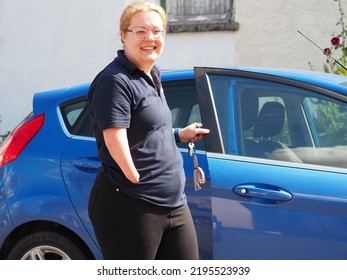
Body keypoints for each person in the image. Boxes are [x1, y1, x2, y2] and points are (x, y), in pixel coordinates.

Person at [87, 1, 210, 260]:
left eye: (156, 31)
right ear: (123, 35)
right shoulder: (115, 81)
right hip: (132, 204)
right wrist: (135, 178)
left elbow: (147, 128)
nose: (150, 38)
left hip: (174, 204)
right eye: (140, 31)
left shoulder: (151, 74)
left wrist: (178, 134)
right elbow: (114, 137)